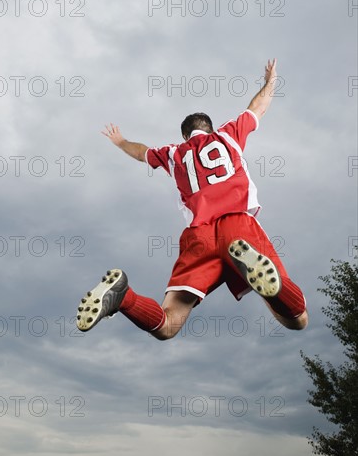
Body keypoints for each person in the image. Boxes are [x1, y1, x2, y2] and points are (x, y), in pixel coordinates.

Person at [76, 58, 308, 339]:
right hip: (239, 228)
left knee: (168, 325)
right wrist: (270, 81)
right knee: (297, 321)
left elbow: (142, 152)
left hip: (199, 237)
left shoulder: (174, 154)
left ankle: (124, 298)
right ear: (209, 129)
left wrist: (121, 141)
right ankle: (270, 284)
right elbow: (258, 106)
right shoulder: (228, 135)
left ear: (185, 136)